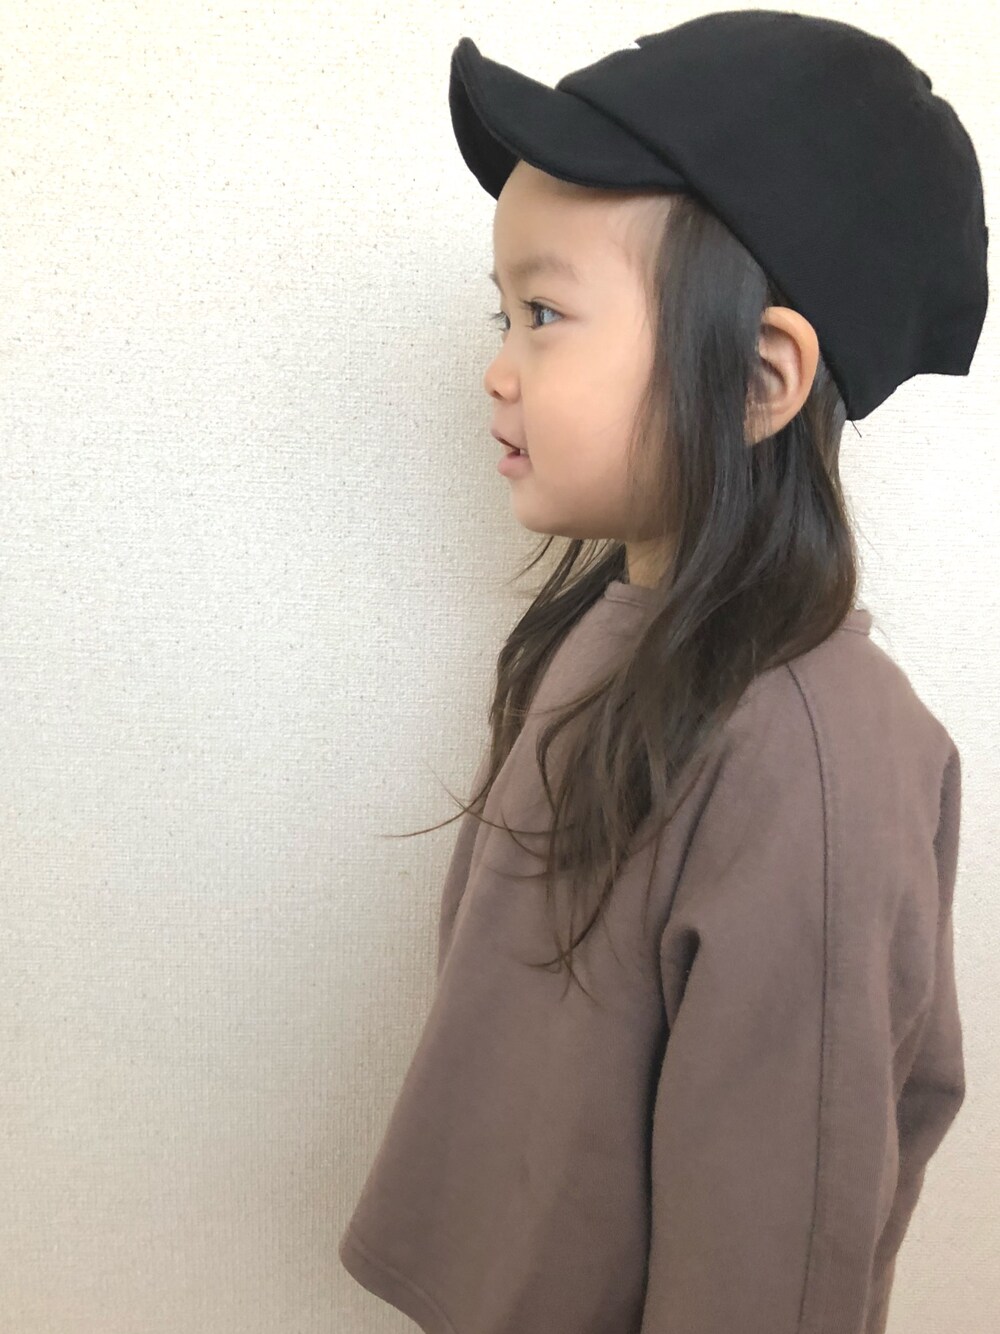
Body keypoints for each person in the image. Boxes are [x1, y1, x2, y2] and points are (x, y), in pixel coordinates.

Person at [339, 12, 987, 1333]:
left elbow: (773, 1243)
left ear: (757, 377)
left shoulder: (809, 757)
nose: (497, 368)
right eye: (504, 312)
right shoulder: (620, 640)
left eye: (545, 314)